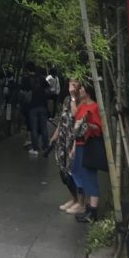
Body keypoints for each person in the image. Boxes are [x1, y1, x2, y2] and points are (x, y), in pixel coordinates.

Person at [70, 81, 103, 223]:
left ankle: (93, 210)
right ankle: (88, 208)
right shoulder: (81, 106)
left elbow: (98, 128)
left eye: (81, 88)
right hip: (79, 143)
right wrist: (73, 146)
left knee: (90, 176)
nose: (80, 91)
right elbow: (75, 124)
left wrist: (87, 124)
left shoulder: (94, 107)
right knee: (80, 174)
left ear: (88, 91)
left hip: (88, 144)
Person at [49, 78, 83, 213]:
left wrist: (74, 97)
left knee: (73, 171)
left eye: (75, 82)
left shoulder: (80, 100)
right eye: (71, 82)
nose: (72, 85)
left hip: (73, 140)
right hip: (63, 139)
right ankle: (74, 198)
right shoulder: (67, 100)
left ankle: (81, 201)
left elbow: (75, 115)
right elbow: (63, 119)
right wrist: (55, 136)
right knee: (63, 171)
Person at [25, 68, 51, 156]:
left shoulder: (29, 80)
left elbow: (26, 94)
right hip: (43, 106)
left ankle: (35, 148)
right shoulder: (43, 80)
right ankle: (45, 147)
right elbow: (49, 90)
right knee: (44, 128)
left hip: (32, 107)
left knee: (34, 129)